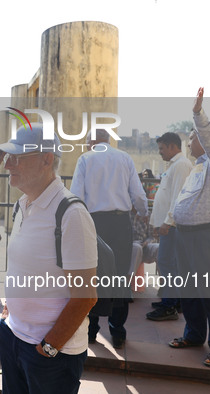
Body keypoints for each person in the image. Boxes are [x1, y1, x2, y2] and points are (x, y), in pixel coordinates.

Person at [0, 124, 97, 394]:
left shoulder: (71, 212)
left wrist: (50, 346)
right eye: (8, 158)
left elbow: (86, 295)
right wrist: (10, 312)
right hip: (14, 335)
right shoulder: (22, 205)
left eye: (17, 158)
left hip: (50, 351)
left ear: (46, 159)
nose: (8, 165)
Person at [168, 87, 210, 368]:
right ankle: (194, 335)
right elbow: (185, 199)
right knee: (190, 289)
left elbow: (208, 136)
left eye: (192, 137)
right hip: (188, 235)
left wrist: (197, 114)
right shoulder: (198, 166)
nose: (190, 142)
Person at [71, 129, 149, 348]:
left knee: (91, 273)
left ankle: (91, 329)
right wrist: (143, 213)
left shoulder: (85, 159)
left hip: (95, 223)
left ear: (92, 142)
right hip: (121, 223)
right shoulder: (124, 157)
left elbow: (76, 195)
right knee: (120, 275)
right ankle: (118, 331)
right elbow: (139, 194)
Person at [146, 132, 192, 321]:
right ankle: (173, 299)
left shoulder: (181, 165)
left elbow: (177, 197)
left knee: (167, 263)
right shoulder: (174, 165)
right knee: (169, 263)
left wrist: (167, 222)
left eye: (162, 148)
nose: (160, 153)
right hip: (168, 224)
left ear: (173, 146)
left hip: (172, 225)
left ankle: (170, 305)